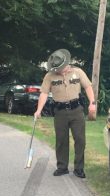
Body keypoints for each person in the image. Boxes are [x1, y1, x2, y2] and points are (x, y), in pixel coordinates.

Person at [34, 49, 96, 178]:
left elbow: (88, 87)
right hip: (60, 111)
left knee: (80, 140)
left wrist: (92, 103)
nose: (57, 70)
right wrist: (38, 110)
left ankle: (79, 168)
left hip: (76, 110)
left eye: (59, 68)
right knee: (61, 140)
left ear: (65, 63)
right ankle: (62, 167)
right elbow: (44, 93)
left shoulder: (78, 72)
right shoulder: (49, 76)